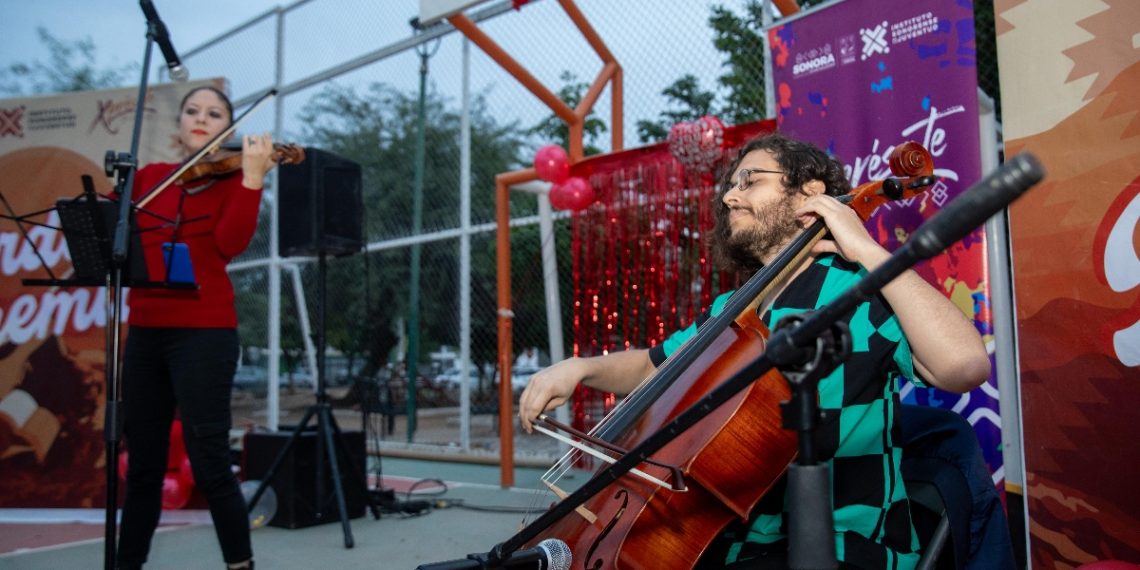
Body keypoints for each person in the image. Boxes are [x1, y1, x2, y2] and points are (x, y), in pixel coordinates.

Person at [518, 132, 992, 569]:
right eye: (730, 184)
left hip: (845, 543)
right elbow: (653, 365)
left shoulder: (861, 291)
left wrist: (867, 251)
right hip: (734, 541)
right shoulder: (733, 309)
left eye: (750, 179)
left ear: (810, 193)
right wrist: (579, 368)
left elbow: (964, 365)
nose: (729, 194)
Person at [116, 86, 276, 570]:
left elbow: (230, 244)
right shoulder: (149, 179)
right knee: (143, 465)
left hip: (204, 332)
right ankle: (127, 565)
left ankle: (239, 565)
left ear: (227, 128)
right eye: (192, 111)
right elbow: (109, 236)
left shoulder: (232, 180)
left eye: (214, 113)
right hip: (144, 330)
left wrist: (252, 180)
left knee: (209, 461)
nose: (201, 119)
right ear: (179, 123)